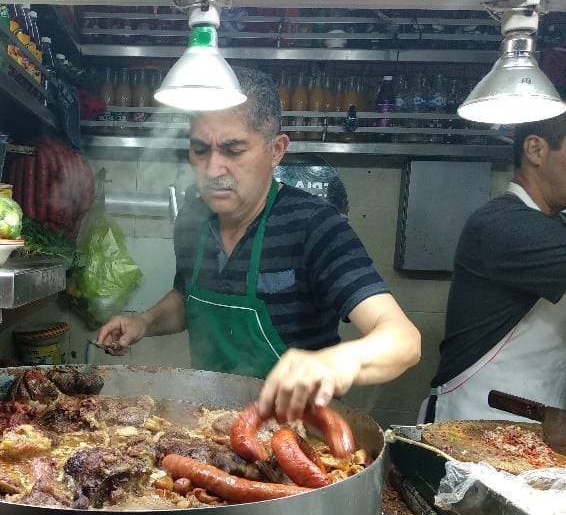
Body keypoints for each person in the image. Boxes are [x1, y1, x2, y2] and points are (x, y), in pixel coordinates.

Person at [97, 68, 421, 422]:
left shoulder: (315, 225)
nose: (212, 168)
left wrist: (332, 363)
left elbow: (402, 340)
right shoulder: (193, 219)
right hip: (205, 426)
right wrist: (143, 322)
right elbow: (188, 296)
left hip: (294, 436)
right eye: (200, 150)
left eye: (233, 150)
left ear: (276, 150)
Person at [420, 113, 566, 423]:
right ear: (536, 150)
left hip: (538, 424)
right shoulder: (504, 225)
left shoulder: (553, 225)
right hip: (473, 424)